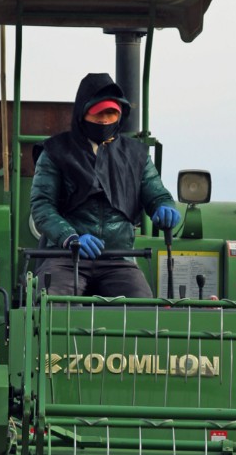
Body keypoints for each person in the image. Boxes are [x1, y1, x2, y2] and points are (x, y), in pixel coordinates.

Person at [29, 71, 180, 297]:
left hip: (118, 259)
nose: (105, 120)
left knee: (144, 312)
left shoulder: (137, 155)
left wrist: (164, 206)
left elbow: (156, 193)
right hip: (65, 257)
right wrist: (71, 238)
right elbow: (42, 206)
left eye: (111, 113)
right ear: (82, 114)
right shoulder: (55, 151)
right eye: (98, 113)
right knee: (53, 307)